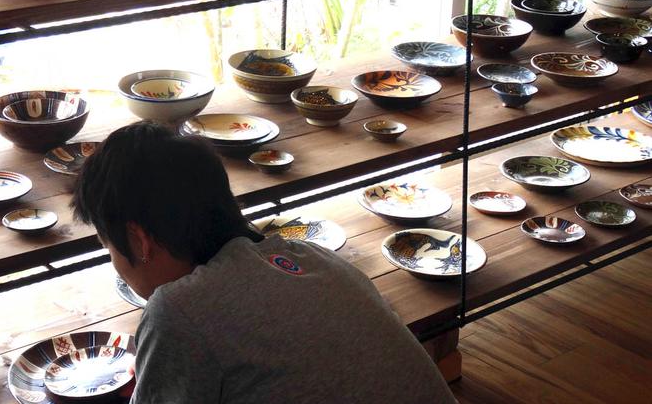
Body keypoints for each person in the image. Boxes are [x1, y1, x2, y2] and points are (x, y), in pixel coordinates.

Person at [72, 121, 456, 404]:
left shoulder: (178, 311)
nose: (115, 261)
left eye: (109, 246)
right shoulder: (314, 257)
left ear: (138, 240)